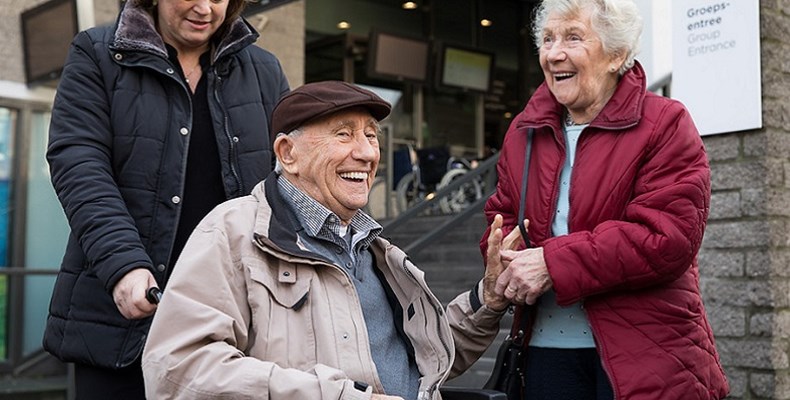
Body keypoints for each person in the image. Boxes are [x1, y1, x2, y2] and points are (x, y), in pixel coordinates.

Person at [142, 81, 517, 400]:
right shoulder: (233, 231)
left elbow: (427, 357)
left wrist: (488, 300)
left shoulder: (377, 252)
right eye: (344, 134)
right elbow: (178, 368)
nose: (368, 153)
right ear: (288, 154)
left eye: (371, 135)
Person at [481, 0, 730, 399]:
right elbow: (501, 215)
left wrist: (552, 263)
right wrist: (505, 260)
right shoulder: (523, 133)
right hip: (543, 357)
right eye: (547, 39)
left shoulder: (665, 122)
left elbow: (668, 237)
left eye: (573, 37)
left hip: (648, 354)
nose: (554, 52)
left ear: (616, 55)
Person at [42, 0, 289, 398]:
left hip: (232, 327)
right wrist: (123, 266)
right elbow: (79, 163)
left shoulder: (264, 70)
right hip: (124, 318)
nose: (206, 8)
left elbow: (287, 182)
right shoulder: (97, 52)